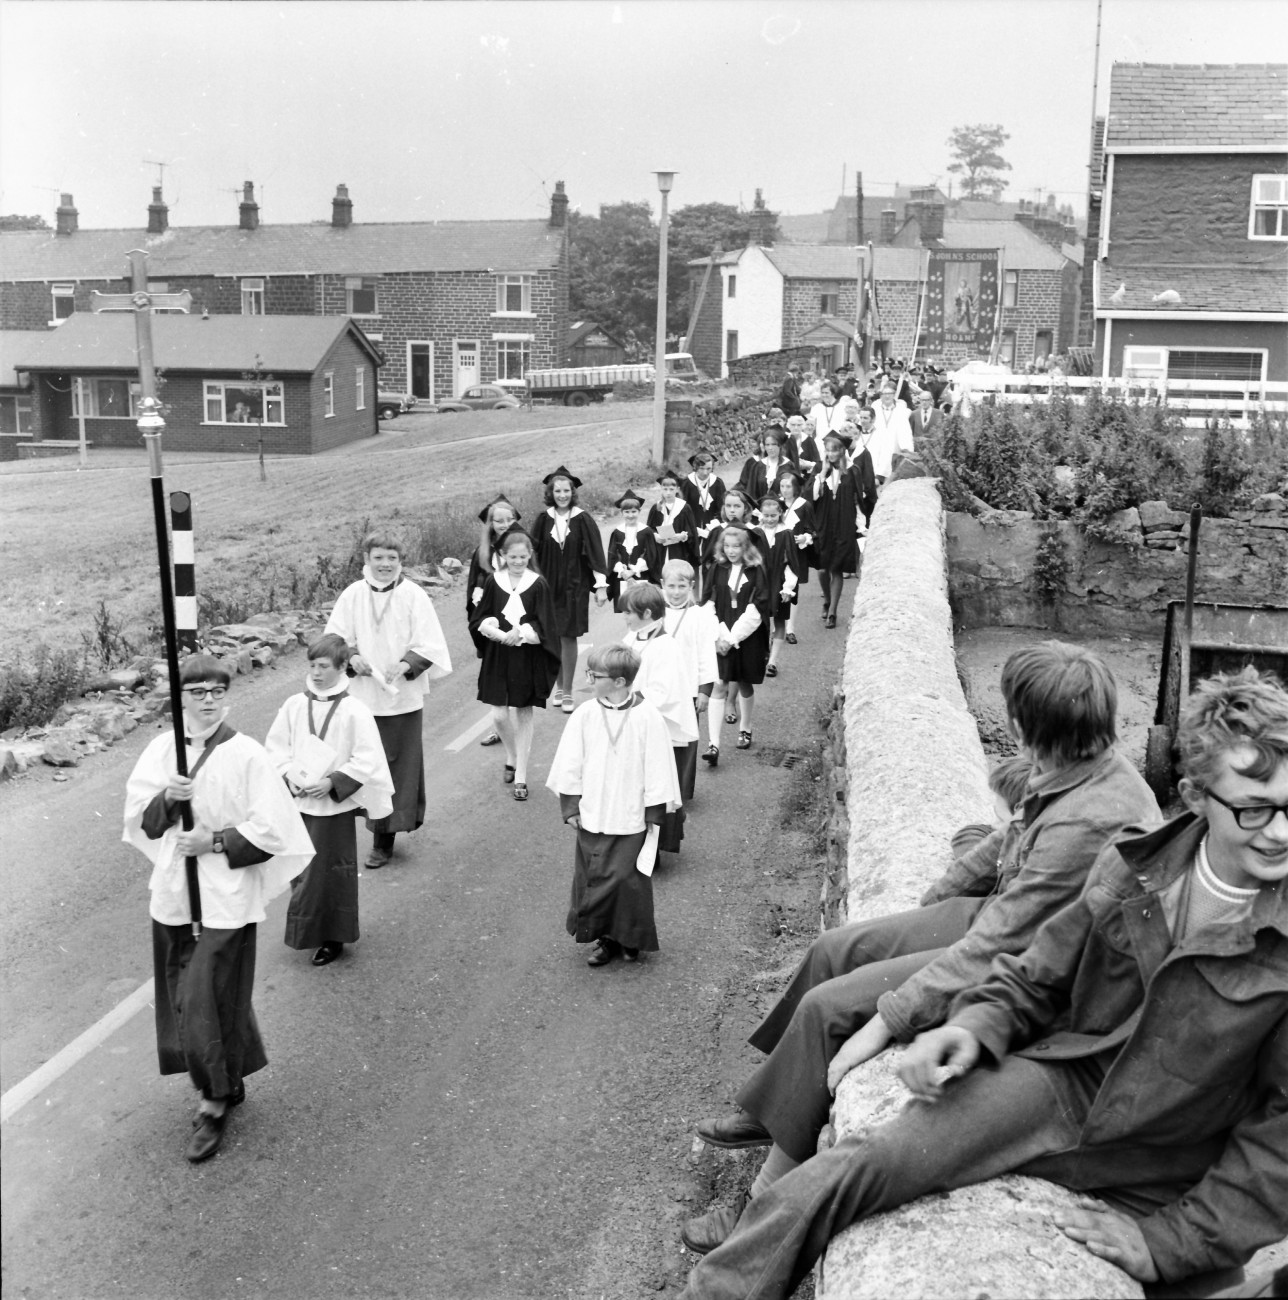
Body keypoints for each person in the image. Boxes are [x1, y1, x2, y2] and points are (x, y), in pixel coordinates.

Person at [680, 666, 1288, 1299]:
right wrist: (974, 1027)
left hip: (1170, 1159)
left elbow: (1279, 1140)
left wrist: (1171, 1244)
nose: (1280, 831)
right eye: (1254, 809)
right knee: (864, 1163)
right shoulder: (1134, 865)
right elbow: (1037, 974)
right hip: (1066, 1083)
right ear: (1193, 796)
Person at [123, 655, 315, 1162]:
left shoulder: (247, 753)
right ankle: (228, 1071)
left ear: (227, 696)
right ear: (180, 699)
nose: (207, 700)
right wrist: (168, 797)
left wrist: (213, 842)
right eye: (197, 691)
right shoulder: (162, 750)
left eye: (215, 691)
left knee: (204, 995)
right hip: (175, 893)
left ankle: (213, 1101)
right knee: (189, 996)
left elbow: (274, 830)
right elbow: (142, 822)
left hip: (225, 895)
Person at [547, 644, 681, 967]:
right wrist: (570, 806)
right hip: (593, 813)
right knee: (593, 876)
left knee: (627, 879)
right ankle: (606, 939)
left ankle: (631, 936)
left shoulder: (647, 717)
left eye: (596, 675)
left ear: (620, 682)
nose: (589, 679)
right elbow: (569, 762)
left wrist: (653, 814)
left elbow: (659, 767)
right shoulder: (585, 714)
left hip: (631, 815)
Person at [265, 633, 394, 966]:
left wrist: (332, 782)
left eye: (324, 666)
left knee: (331, 873)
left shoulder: (353, 710)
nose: (317, 672)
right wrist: (289, 778)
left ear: (341, 667)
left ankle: (332, 936)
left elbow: (368, 758)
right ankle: (310, 928)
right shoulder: (295, 705)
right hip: (299, 803)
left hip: (332, 807)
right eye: (312, 665)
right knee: (302, 871)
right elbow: (276, 749)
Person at [325, 531, 452, 868]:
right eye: (378, 558)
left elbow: (431, 645)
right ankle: (340, 832)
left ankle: (383, 840)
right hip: (361, 697)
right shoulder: (352, 595)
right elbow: (334, 638)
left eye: (391, 559)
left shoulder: (413, 595)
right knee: (354, 764)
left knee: (394, 769)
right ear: (366, 560)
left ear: (400, 562)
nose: (385, 565)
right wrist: (351, 657)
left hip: (400, 700)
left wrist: (407, 663)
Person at [468, 527, 562, 803]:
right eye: (513, 557)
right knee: (498, 715)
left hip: (526, 657)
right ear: (503, 556)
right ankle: (511, 754)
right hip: (499, 655)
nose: (518, 562)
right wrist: (491, 627)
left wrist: (521, 632)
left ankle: (520, 774)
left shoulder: (537, 584)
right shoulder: (493, 582)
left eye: (523, 556)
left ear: (530, 555)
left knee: (523, 712)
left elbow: (546, 623)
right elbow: (480, 617)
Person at [621, 582, 700, 855]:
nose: (625, 617)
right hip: (634, 724)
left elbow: (662, 692)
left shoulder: (665, 645)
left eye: (629, 612)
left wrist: (627, 697)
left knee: (655, 791)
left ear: (645, 614)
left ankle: (652, 849)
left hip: (658, 729)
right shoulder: (632, 638)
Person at [532, 465, 609, 714]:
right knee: (551, 636)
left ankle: (567, 692)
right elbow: (533, 554)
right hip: (548, 585)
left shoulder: (583, 518)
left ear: (572, 492)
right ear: (551, 492)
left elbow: (595, 553)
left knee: (568, 636)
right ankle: (558, 686)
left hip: (574, 585)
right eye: (558, 491)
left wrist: (600, 587)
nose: (562, 495)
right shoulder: (543, 520)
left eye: (566, 490)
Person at [701, 523, 770, 759]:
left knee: (743, 683)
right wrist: (718, 635)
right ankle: (713, 743)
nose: (731, 551)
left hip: (746, 636)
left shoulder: (755, 570)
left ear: (745, 546)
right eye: (727, 546)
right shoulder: (717, 569)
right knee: (719, 684)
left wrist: (731, 638)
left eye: (736, 546)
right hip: (720, 632)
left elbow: (757, 608)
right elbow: (708, 602)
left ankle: (745, 728)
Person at [661, 559, 719, 809]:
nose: (675, 592)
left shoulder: (699, 616)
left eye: (681, 586)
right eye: (671, 586)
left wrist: (705, 690)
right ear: (662, 585)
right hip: (660, 689)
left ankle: (682, 791)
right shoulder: (655, 612)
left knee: (685, 740)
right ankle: (660, 786)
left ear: (691, 586)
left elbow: (707, 654)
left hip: (688, 690)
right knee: (660, 738)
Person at [468, 494, 522, 748]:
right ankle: (500, 727)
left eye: (509, 519)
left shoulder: (521, 548)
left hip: (517, 620)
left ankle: (516, 731)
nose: (504, 524)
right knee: (496, 677)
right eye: (498, 520)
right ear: (490, 524)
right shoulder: (482, 553)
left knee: (516, 674)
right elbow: (473, 591)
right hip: (492, 622)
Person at [810, 431, 863, 628]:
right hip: (823, 523)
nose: (830, 454)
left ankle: (832, 611)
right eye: (827, 450)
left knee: (837, 569)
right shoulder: (819, 468)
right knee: (823, 569)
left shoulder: (852, 471)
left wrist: (862, 526)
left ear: (842, 451)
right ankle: (827, 600)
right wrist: (822, 474)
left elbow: (858, 500)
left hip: (844, 524)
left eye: (834, 450)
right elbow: (812, 496)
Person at [752, 494, 801, 679]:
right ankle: (763, 655)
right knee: (759, 621)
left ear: (780, 513)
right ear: (761, 514)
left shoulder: (786, 533)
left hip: (780, 582)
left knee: (779, 621)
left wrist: (788, 587)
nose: (770, 519)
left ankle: (773, 660)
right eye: (767, 515)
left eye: (773, 515)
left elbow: (791, 563)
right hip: (760, 583)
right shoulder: (755, 532)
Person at [776, 469, 816, 648]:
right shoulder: (775, 504)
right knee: (776, 587)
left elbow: (812, 530)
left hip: (796, 552)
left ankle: (790, 629)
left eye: (788, 486)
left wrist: (805, 538)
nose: (785, 490)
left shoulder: (804, 505)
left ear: (795, 488)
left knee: (793, 590)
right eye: (782, 486)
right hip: (777, 552)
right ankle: (776, 628)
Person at [606, 488, 661, 608]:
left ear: (639, 512)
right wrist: (622, 570)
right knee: (627, 609)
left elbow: (651, 555)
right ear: (622, 513)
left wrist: (634, 570)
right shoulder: (617, 532)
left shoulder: (646, 531)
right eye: (627, 512)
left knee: (643, 607)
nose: (630, 515)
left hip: (642, 576)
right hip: (623, 578)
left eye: (633, 511)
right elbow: (612, 556)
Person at [700, 487, 753, 599]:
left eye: (737, 506)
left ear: (746, 509)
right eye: (728, 506)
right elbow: (707, 563)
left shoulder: (753, 532)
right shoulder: (717, 531)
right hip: (721, 588)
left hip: (747, 588)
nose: (732, 510)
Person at [647, 467, 700, 569]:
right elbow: (650, 529)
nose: (668, 493)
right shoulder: (657, 508)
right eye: (665, 489)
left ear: (677, 490)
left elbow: (691, 531)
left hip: (679, 551)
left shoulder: (684, 508)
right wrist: (655, 536)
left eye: (671, 489)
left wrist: (683, 536)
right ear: (661, 489)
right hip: (660, 551)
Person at [737, 426, 795, 509]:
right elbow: (751, 492)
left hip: (782, 510)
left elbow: (794, 491)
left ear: (780, 445)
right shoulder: (757, 466)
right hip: (760, 512)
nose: (770, 448)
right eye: (767, 445)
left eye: (774, 444)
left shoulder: (788, 466)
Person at [681, 449, 726, 552]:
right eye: (701, 468)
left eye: (709, 468)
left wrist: (711, 526)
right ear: (695, 467)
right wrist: (691, 527)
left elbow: (722, 508)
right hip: (691, 529)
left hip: (712, 529)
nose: (705, 472)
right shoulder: (687, 483)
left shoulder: (718, 483)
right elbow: (682, 509)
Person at [870, 381, 916, 480]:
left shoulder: (901, 410)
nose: (887, 397)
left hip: (893, 444)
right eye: (884, 394)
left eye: (890, 394)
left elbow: (905, 431)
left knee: (890, 472)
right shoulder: (875, 408)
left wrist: (907, 448)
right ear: (881, 395)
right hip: (877, 444)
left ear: (894, 395)